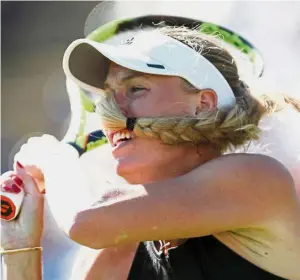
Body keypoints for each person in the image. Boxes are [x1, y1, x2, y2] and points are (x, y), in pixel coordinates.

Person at [1, 25, 300, 280]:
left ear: (204, 103)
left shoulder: (256, 178)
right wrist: (20, 247)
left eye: (136, 89)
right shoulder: (120, 248)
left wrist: (56, 162)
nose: (110, 112)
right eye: (107, 96)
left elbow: (85, 220)